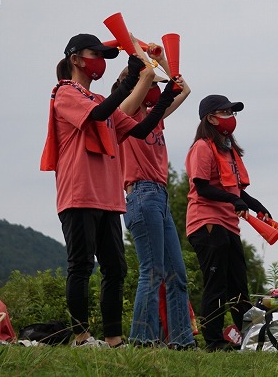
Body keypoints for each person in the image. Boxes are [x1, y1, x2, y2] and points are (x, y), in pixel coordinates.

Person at [40, 34, 178, 348]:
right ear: (75, 59)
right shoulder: (64, 91)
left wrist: (167, 93)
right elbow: (98, 116)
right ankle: (80, 336)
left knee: (116, 269)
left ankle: (113, 339)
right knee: (82, 265)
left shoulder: (101, 99)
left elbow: (140, 128)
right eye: (96, 54)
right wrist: (130, 78)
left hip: (109, 197)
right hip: (79, 193)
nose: (100, 60)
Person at [115, 49, 194, 349]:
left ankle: (182, 341)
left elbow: (183, 88)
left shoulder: (153, 116)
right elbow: (127, 104)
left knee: (177, 274)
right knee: (153, 271)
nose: (157, 89)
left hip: (159, 196)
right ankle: (141, 339)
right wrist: (143, 69)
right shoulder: (125, 113)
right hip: (141, 194)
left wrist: (162, 63)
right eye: (152, 83)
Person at [185, 95, 272, 352]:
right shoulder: (202, 147)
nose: (231, 117)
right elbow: (202, 188)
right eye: (225, 112)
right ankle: (213, 341)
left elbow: (236, 192)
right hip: (206, 221)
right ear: (211, 118)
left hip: (228, 224)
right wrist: (234, 202)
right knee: (217, 283)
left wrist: (257, 206)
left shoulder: (229, 151)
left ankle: (249, 338)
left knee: (238, 285)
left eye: (232, 112)